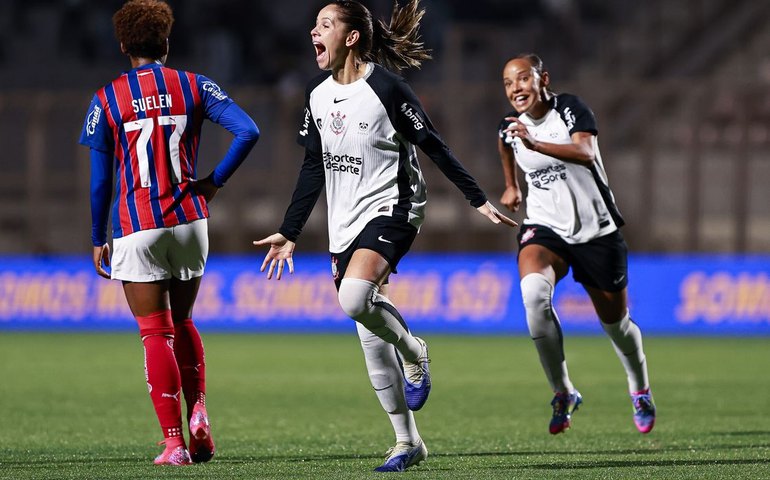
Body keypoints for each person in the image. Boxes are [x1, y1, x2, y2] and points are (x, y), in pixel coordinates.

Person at [254, 0, 515, 473]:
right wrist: (290, 232)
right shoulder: (316, 96)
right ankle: (407, 442)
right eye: (314, 25)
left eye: (326, 25)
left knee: (355, 298)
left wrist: (476, 198)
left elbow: (433, 144)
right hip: (344, 221)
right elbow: (314, 165)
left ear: (352, 37)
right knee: (368, 334)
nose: (315, 31)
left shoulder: (388, 89)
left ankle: (416, 350)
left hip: (394, 208)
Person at [78, 0, 259, 466]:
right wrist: (212, 183)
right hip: (191, 221)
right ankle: (199, 411)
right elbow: (248, 131)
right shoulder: (195, 85)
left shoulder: (107, 98)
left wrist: (99, 235)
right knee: (183, 322)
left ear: (123, 45)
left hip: (138, 224)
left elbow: (101, 180)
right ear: (166, 42)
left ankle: (175, 442)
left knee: (155, 333)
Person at [497, 53, 656, 435]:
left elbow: (585, 152)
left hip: (596, 232)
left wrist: (535, 144)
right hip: (545, 228)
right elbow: (506, 143)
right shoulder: (511, 127)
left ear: (543, 79)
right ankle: (563, 391)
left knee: (616, 326)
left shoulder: (570, 109)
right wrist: (511, 185)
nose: (515, 88)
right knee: (533, 296)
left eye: (522, 79)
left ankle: (640, 388)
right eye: (507, 83)